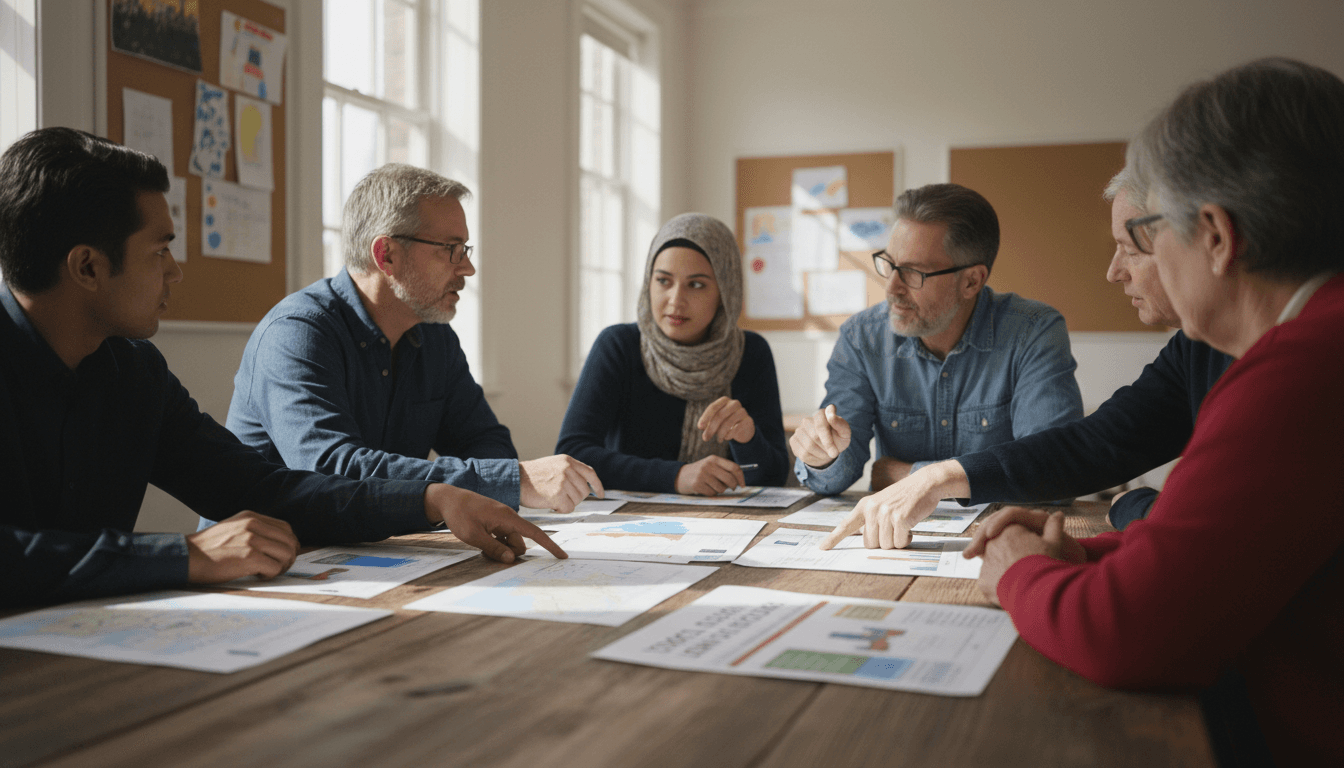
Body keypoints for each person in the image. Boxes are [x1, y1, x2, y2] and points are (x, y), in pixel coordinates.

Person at [0, 128, 564, 608]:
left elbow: (258, 486)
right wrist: (182, 554)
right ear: (88, 267)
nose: (175, 272)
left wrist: (431, 499)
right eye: (160, 250)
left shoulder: (133, 371)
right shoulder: (298, 329)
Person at [965, 58, 1344, 766]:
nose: (1129, 266)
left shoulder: (1305, 363)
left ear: (1216, 236)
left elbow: (1129, 637)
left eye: (1145, 234)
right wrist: (1086, 555)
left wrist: (1018, 569)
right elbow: (1227, 559)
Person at [820, 171, 1234, 550]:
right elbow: (1092, 447)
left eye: (1131, 249)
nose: (1113, 272)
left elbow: (1220, 529)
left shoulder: (1261, 361)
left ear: (1214, 239)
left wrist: (1135, 505)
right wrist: (935, 477)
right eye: (891, 265)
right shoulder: (1196, 347)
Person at [224, 164, 602, 516]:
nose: (468, 268)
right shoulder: (296, 334)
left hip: (375, 547)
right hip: (273, 555)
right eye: (451, 250)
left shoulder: (435, 337)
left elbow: (486, 442)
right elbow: (333, 470)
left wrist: (497, 479)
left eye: (465, 250)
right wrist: (509, 479)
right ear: (386, 255)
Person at [789, 182, 1084, 507]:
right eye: (889, 264)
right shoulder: (862, 339)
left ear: (971, 281)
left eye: (913, 272)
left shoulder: (1034, 332)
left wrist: (907, 475)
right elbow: (836, 474)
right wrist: (821, 458)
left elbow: (1053, 473)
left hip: (1000, 531)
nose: (892, 287)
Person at [555, 213, 788, 494]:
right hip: (630, 516)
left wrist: (748, 440)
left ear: (725, 291)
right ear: (648, 283)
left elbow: (774, 478)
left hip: (726, 517)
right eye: (663, 281)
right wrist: (676, 476)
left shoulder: (751, 353)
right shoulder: (619, 345)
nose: (676, 301)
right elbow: (572, 454)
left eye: (696, 284)